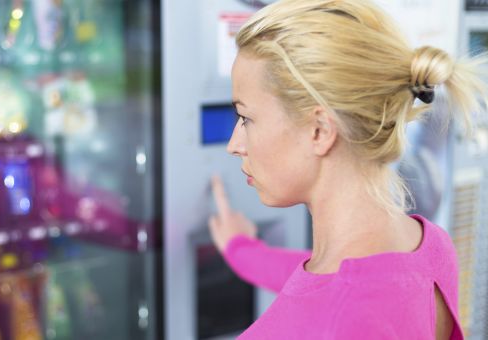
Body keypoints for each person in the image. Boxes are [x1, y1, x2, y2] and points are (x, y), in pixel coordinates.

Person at [207, 1, 487, 339]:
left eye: (246, 118)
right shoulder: (431, 247)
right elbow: (322, 283)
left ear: (320, 131)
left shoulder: (342, 322)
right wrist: (241, 250)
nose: (234, 144)